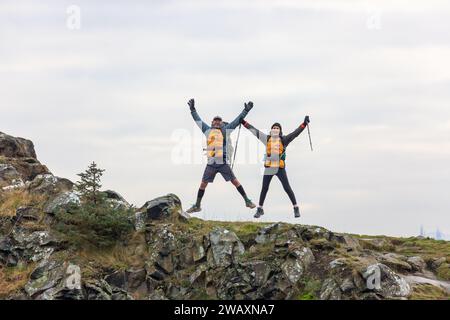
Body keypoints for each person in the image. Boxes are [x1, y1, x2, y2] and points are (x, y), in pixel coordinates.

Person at [186, 98, 256, 213]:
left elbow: (237, 120)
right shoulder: (207, 129)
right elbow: (197, 120)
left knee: (235, 181)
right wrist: (192, 109)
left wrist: (245, 110)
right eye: (215, 120)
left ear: (222, 123)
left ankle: (247, 201)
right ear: (212, 122)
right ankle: (197, 205)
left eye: (219, 121)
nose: (217, 122)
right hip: (211, 163)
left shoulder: (226, 130)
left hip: (222, 162)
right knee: (203, 184)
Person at [241, 116, 310, 218]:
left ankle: (296, 208)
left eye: (277, 128)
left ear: (280, 131)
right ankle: (260, 209)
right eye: (273, 128)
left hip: (279, 168)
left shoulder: (284, 139)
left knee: (287, 188)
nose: (275, 129)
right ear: (271, 130)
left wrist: (304, 124)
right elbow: (255, 131)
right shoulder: (267, 138)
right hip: (269, 167)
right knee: (264, 188)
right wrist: (243, 122)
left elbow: (295, 133)